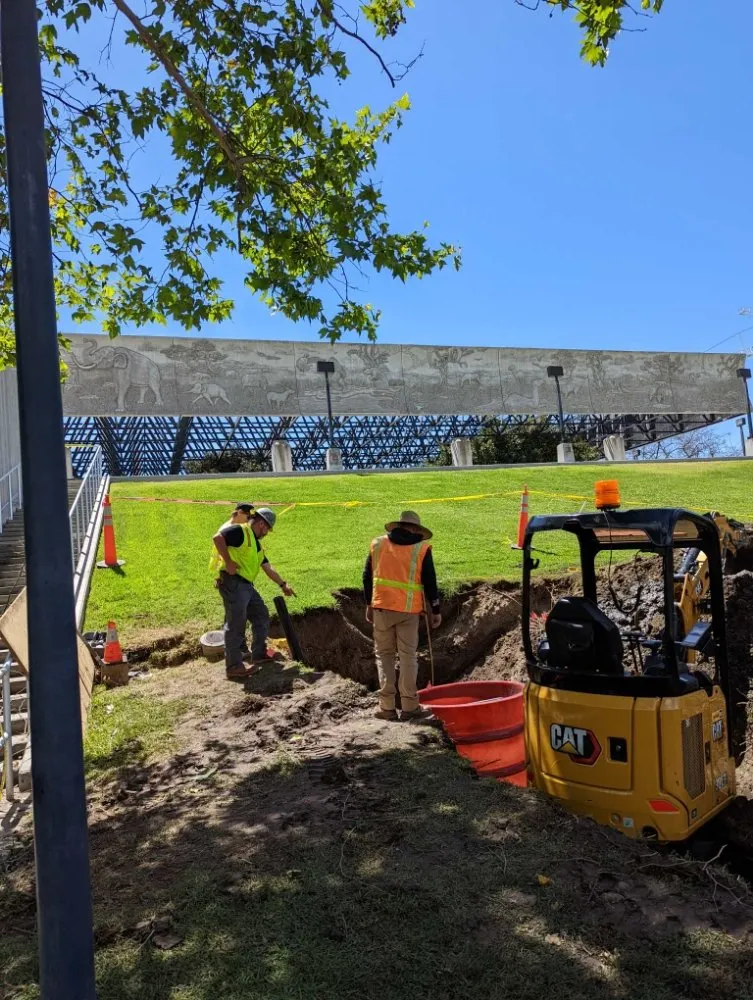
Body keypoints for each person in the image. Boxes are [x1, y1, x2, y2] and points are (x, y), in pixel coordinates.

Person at [363, 510, 441, 721]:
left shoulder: (377, 544)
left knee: (384, 656)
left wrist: (369, 605)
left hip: (381, 609)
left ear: (398, 526)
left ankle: (386, 707)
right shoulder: (421, 549)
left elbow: (367, 577)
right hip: (408, 612)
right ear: (415, 529)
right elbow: (431, 583)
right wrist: (435, 610)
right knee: (408, 657)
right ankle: (409, 706)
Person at [212, 507, 295, 679]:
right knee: (236, 624)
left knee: (261, 614)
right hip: (233, 582)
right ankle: (234, 666)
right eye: (268, 529)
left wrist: (283, 584)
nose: (267, 533)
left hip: (246, 586)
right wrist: (228, 562)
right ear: (262, 524)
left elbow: (267, 567)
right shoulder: (241, 531)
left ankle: (258, 654)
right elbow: (217, 538)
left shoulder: (256, 545)